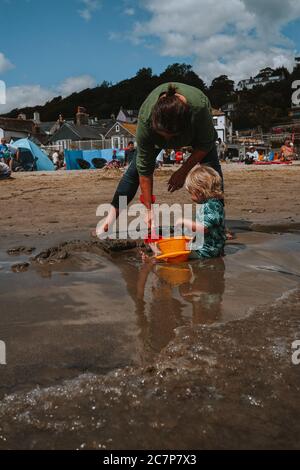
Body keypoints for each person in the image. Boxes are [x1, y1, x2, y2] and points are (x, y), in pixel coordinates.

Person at [97, 82, 223, 236]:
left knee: (212, 173)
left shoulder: (199, 108)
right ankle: (108, 222)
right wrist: (149, 209)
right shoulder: (145, 119)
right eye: (163, 135)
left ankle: (219, 225)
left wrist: (183, 171)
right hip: (154, 136)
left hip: (196, 135)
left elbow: (205, 145)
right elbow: (144, 170)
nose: (168, 142)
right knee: (133, 172)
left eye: (170, 136)